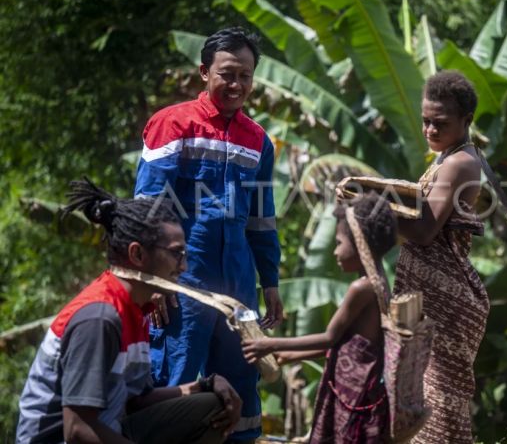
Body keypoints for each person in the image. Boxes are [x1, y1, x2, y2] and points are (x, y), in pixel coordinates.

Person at [134, 27, 283, 442]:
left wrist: (270, 281)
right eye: (227, 74)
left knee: (242, 387)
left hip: (238, 287)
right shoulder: (171, 124)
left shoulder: (258, 142)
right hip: (183, 281)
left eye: (246, 76)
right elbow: (147, 206)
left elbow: (261, 219)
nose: (237, 85)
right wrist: (155, 280)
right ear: (204, 72)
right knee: (175, 379)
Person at [16, 178, 242, 444]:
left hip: (111, 427)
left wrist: (205, 384)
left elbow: (136, 402)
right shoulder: (100, 318)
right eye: (176, 254)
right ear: (137, 255)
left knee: (214, 404)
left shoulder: (136, 310)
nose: (183, 267)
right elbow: (77, 430)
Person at [242, 193, 396, 443]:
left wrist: (269, 344)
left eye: (339, 242)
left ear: (359, 242)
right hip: (362, 392)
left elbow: (329, 338)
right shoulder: (380, 282)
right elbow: (347, 344)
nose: (335, 251)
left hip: (353, 395)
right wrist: (290, 356)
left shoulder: (361, 288)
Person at [394, 70, 490, 443]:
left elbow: (423, 230)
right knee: (421, 395)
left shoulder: (459, 163)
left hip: (447, 298)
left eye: (440, 123)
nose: (430, 130)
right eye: (426, 122)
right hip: (432, 297)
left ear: (466, 121)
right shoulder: (445, 158)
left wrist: (373, 208)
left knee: (440, 403)